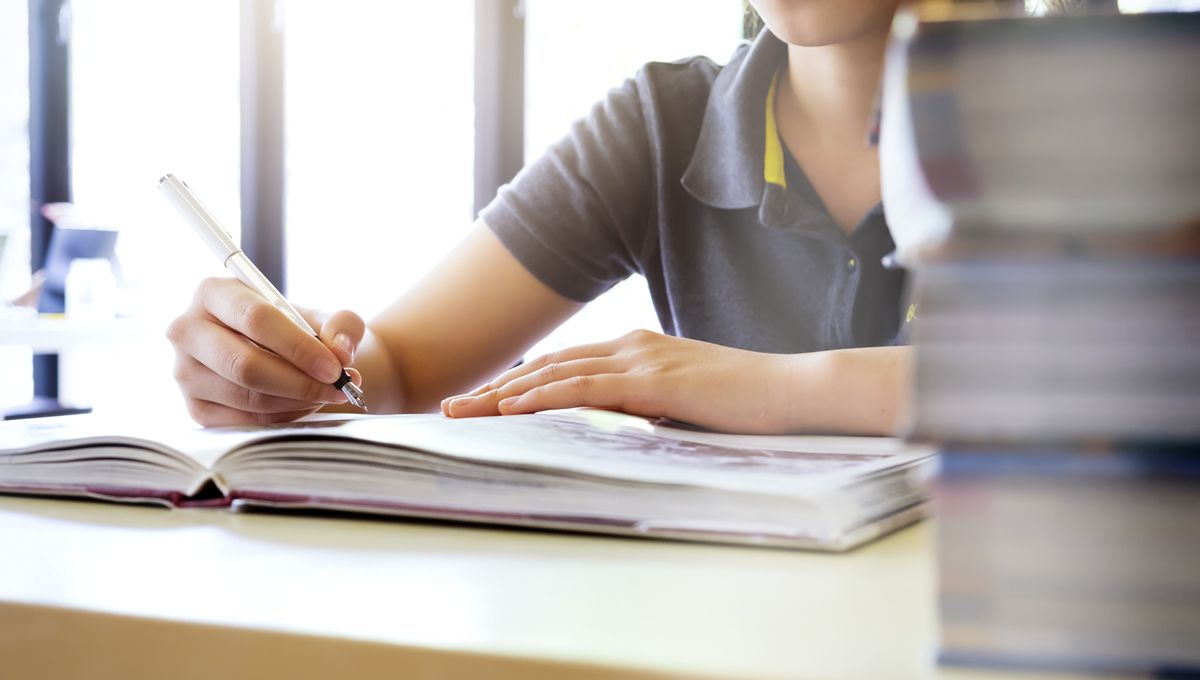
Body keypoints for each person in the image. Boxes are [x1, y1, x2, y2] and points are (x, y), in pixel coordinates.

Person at [165, 1, 1011, 434]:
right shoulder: (662, 124)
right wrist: (289, 368)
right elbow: (400, 369)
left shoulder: (1106, 113)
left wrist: (775, 389)